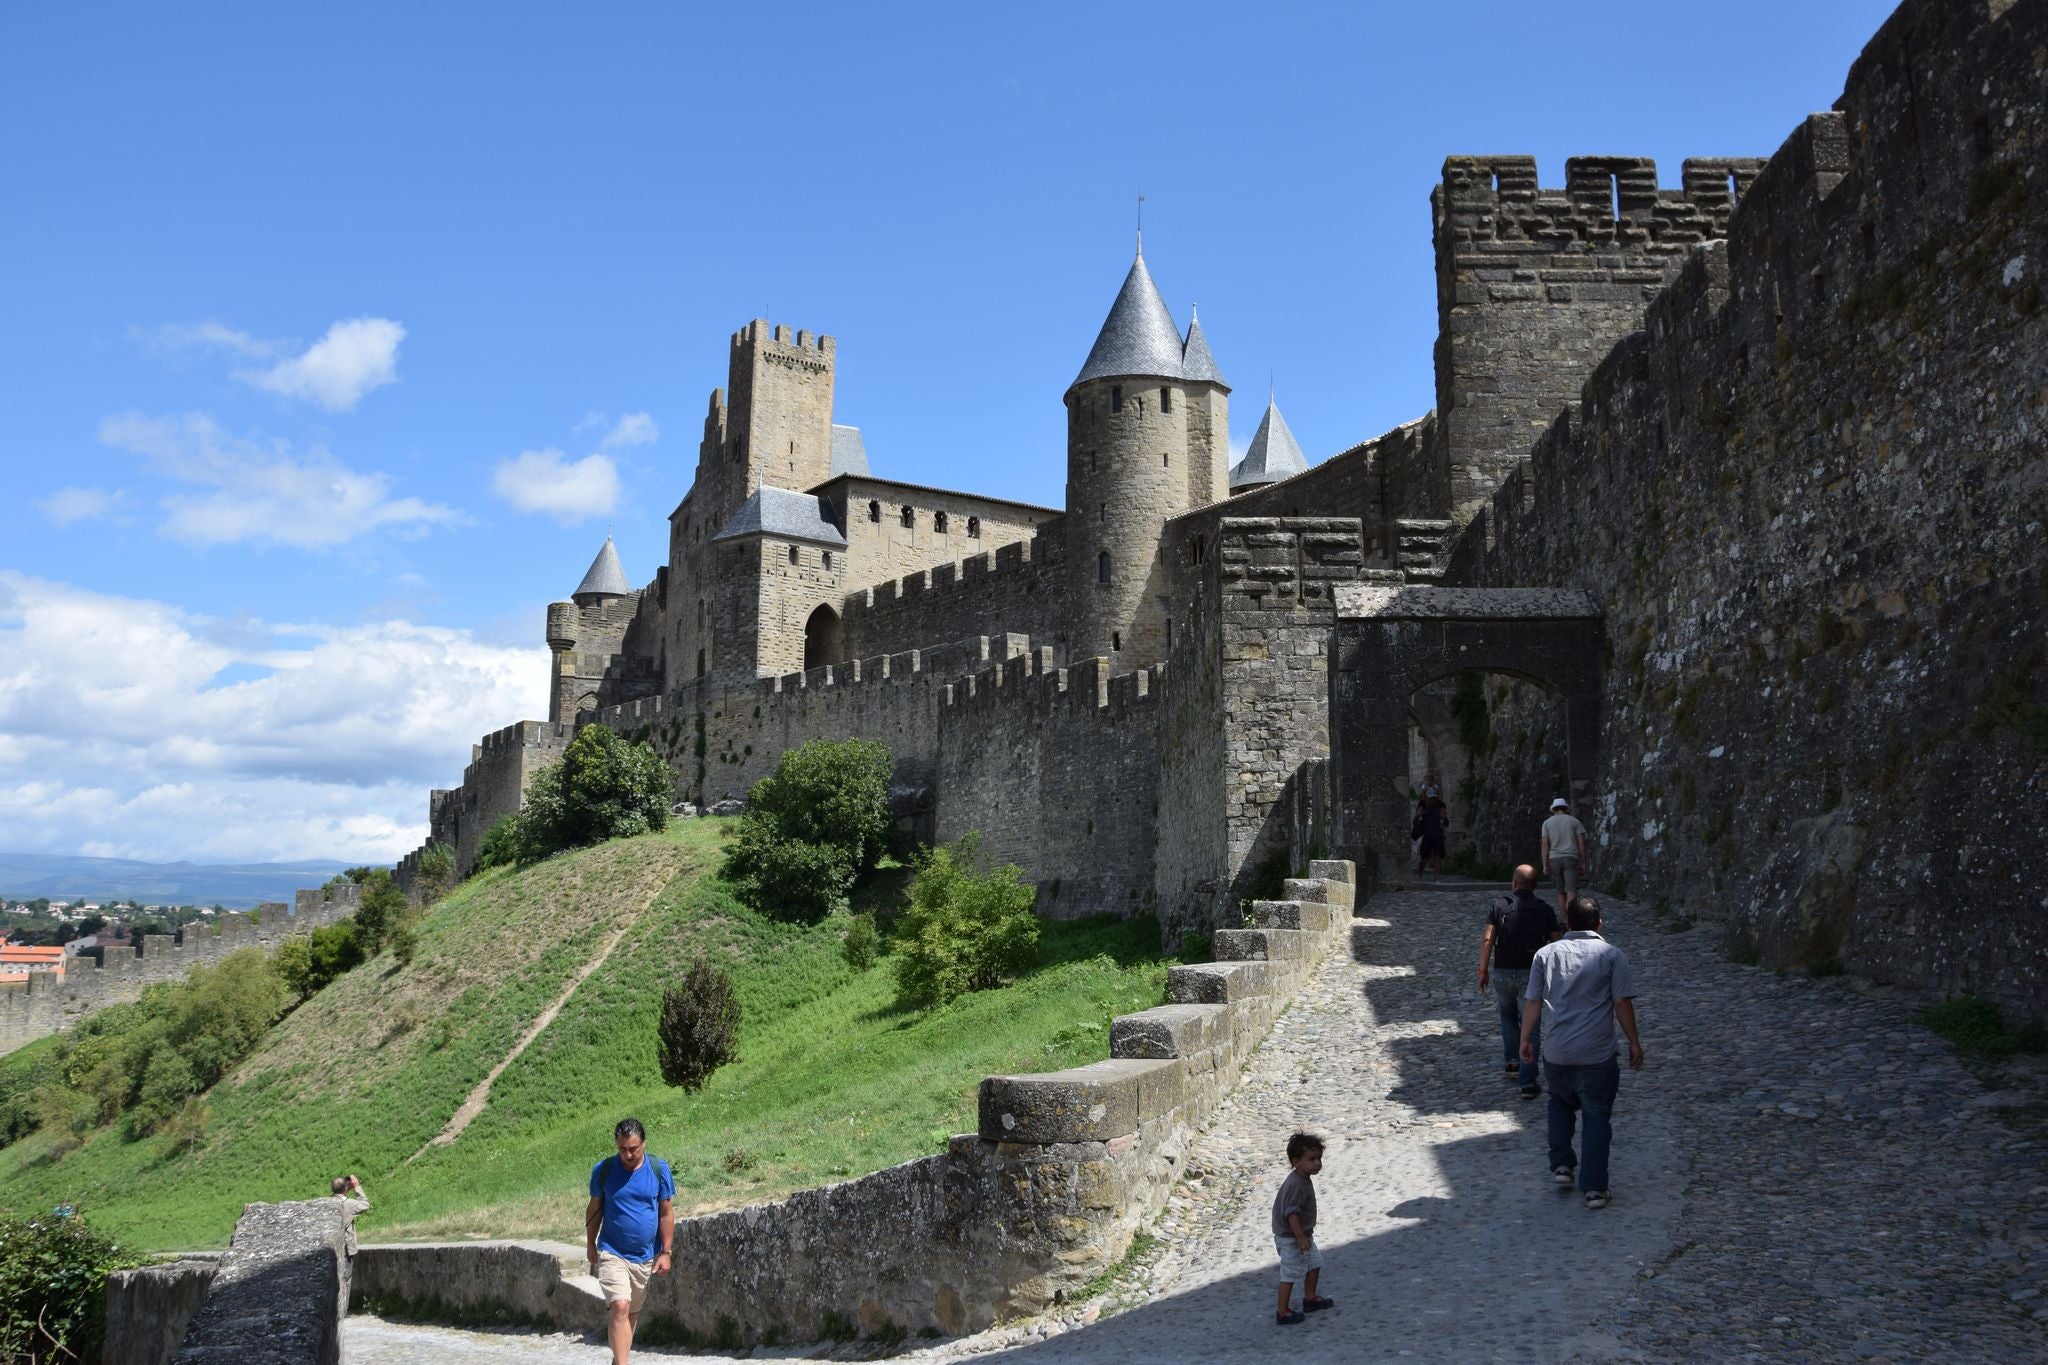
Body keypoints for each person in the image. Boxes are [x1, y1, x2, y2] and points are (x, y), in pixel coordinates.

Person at [1520, 896, 1644, 1210]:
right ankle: (1595, 1190)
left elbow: (1533, 1001)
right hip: (1597, 1053)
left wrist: (1525, 1039)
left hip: (1557, 1050)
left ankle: (1562, 1165)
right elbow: (1621, 1003)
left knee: (1559, 1104)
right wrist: (1633, 1042)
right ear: (1599, 923)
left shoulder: (1545, 955)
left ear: (1567, 923)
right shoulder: (1612, 956)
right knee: (1597, 1116)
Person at [586, 1118, 675, 1365]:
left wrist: (666, 1252)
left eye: (633, 1148)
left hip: (645, 1256)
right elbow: (594, 1209)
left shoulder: (659, 1169)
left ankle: (618, 1361)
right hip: (612, 1251)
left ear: (644, 1144)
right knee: (620, 1306)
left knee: (631, 1315)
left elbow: (666, 1212)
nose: (628, 1154)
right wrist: (590, 1243)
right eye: (622, 1148)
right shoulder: (603, 1170)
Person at [1477, 865, 1561, 1099]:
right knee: (1530, 1024)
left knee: (1507, 1015)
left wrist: (1483, 969)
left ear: (1514, 883)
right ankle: (1528, 1080)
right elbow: (1557, 942)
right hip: (1531, 974)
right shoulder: (1545, 910)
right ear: (1535, 885)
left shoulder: (1500, 906)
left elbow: (1487, 939)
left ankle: (1513, 1061)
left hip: (1503, 972)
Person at [1271, 1132, 1332, 1325]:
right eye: (1312, 1159)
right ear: (1296, 1161)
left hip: (1303, 1235)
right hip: (1291, 1238)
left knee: (1314, 1264)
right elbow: (1292, 1214)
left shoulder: (1303, 1178)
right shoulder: (1296, 1184)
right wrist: (1299, 1237)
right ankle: (1282, 1311)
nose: (1317, 1163)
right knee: (1289, 1273)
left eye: (1319, 1159)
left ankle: (1310, 1298)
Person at [1540, 797, 1590, 917]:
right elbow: (1581, 845)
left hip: (1554, 859)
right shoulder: (1574, 821)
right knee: (1571, 891)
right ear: (1565, 809)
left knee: (1560, 892)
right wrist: (1583, 863)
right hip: (1571, 858)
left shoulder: (1547, 823)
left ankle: (1565, 919)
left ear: (1554, 809)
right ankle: (1572, 921)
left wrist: (1545, 864)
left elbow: (1545, 845)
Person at [1413, 784, 1450, 878]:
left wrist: (1444, 818)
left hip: (1437, 835)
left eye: (1434, 798)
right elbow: (1415, 822)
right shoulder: (1423, 807)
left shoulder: (1440, 808)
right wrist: (1417, 817)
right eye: (1431, 798)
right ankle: (1420, 873)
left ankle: (1437, 877)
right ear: (1427, 798)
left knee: (1438, 857)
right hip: (1427, 836)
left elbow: (1446, 824)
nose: (1432, 800)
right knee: (1424, 859)